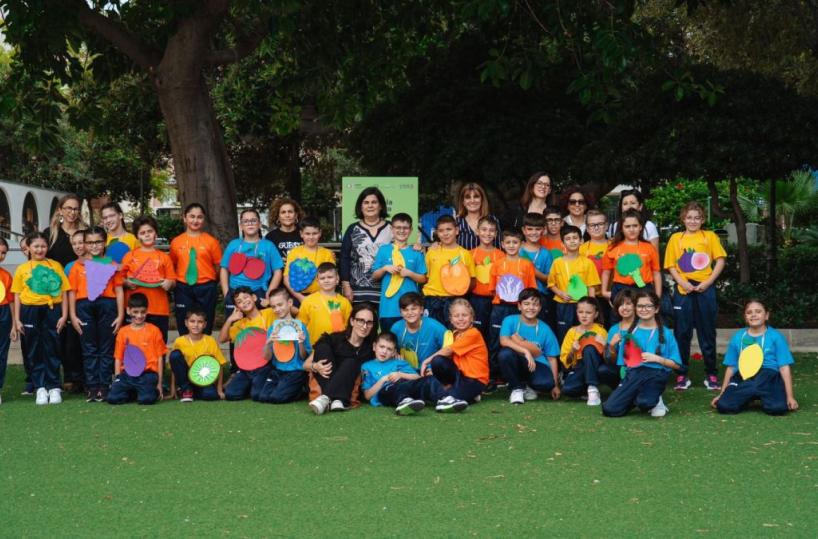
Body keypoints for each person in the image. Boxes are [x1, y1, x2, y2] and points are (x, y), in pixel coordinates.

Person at [664, 201, 727, 391]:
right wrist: (682, 283)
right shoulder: (676, 238)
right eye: (689, 217)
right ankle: (682, 374)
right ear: (683, 219)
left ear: (702, 220)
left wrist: (707, 282)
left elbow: (720, 260)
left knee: (707, 332)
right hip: (683, 290)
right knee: (682, 333)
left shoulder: (709, 236)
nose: (693, 221)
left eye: (697, 218)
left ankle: (711, 374)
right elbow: (671, 265)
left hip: (705, 289)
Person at [11, 231, 70, 405]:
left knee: (52, 346)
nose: (40, 249)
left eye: (43, 246)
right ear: (28, 248)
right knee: (33, 349)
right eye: (36, 246)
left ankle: (53, 386)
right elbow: (16, 295)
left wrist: (64, 314)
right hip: (29, 311)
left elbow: (65, 291)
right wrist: (17, 319)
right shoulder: (22, 269)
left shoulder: (55, 265)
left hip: (53, 310)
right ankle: (40, 387)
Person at [602, 290, 681, 418]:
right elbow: (623, 362)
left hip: (656, 374)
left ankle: (654, 399)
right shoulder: (630, 332)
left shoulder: (666, 333)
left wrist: (658, 359)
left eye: (648, 306)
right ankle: (639, 395)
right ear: (636, 308)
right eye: (640, 306)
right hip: (633, 374)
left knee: (645, 402)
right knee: (609, 410)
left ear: (656, 309)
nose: (644, 309)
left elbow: (677, 365)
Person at [711, 299, 799, 415]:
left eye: (758, 311)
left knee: (778, 408)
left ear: (766, 315)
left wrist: (790, 397)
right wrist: (722, 393)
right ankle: (750, 394)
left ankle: (753, 393)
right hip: (744, 375)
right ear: (745, 317)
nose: (753, 315)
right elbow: (731, 367)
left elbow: (784, 367)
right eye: (749, 312)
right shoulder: (738, 337)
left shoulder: (776, 337)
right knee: (723, 406)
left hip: (769, 376)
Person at [68, 227, 125, 402]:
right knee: (89, 348)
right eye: (90, 242)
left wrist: (121, 315)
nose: (94, 246)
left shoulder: (111, 265)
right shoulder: (78, 266)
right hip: (84, 307)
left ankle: (105, 385)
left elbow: (119, 290)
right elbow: (72, 292)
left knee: (106, 348)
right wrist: (73, 315)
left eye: (98, 242)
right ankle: (92, 386)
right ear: (85, 244)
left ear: (104, 242)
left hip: (107, 306)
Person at [45, 194, 87, 392]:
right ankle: (67, 375)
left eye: (76, 208)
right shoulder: (50, 234)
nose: (72, 212)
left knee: (79, 334)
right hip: (58, 294)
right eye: (68, 208)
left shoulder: (85, 234)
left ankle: (82, 376)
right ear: (60, 210)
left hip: (82, 291)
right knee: (61, 336)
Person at [305, 302, 379, 414]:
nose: (364, 326)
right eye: (360, 321)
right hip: (326, 379)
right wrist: (315, 366)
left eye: (369, 322)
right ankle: (336, 399)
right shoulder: (335, 339)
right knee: (323, 347)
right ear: (352, 321)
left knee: (351, 362)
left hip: (350, 388)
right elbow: (305, 365)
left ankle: (325, 398)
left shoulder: (372, 348)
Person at [421, 299, 488, 412]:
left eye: (464, 315)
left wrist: (426, 361)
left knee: (445, 397)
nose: (461, 319)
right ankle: (461, 394)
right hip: (459, 376)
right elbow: (448, 359)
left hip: (475, 380)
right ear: (451, 319)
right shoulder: (454, 334)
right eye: (456, 316)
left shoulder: (473, 333)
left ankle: (461, 395)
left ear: (471, 317)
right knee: (438, 361)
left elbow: (448, 350)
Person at [497, 288, 560, 405]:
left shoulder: (545, 328)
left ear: (540, 308)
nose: (531, 308)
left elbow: (552, 358)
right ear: (519, 306)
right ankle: (516, 388)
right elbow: (504, 341)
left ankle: (527, 386)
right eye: (526, 304)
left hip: (537, 364)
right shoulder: (510, 320)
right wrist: (525, 351)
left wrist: (555, 385)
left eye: (535, 304)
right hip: (518, 360)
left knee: (547, 384)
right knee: (505, 354)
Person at [170, 203, 223, 335]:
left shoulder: (211, 242)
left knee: (206, 321)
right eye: (192, 216)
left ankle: (204, 353)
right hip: (183, 287)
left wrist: (211, 282)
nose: (195, 220)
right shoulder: (176, 242)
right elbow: (173, 264)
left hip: (206, 287)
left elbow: (218, 266)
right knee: (183, 322)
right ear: (185, 218)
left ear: (203, 220)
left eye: (199, 217)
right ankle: (186, 350)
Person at [488, 229, 537, 372]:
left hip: (518, 309)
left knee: (518, 338)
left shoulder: (527, 265)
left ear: (521, 244)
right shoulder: (497, 264)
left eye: (515, 242)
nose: (511, 245)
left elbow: (531, 289)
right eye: (508, 242)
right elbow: (492, 289)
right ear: (502, 244)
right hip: (500, 308)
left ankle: (518, 371)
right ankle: (495, 374)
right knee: (495, 339)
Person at [361, 331, 444, 415]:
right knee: (395, 386)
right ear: (374, 346)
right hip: (385, 392)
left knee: (429, 379)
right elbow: (367, 395)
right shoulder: (367, 366)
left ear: (394, 352)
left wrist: (400, 374)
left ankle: (444, 399)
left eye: (389, 349)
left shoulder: (399, 362)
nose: (384, 351)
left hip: (406, 386)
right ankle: (404, 401)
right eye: (382, 347)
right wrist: (383, 379)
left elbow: (417, 377)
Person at [601, 209, 661, 323]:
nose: (631, 229)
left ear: (640, 227)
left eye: (635, 225)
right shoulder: (613, 247)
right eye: (627, 226)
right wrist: (604, 291)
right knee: (619, 321)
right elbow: (606, 271)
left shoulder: (649, 247)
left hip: (644, 289)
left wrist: (657, 296)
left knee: (643, 321)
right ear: (622, 229)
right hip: (620, 289)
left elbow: (656, 273)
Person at [120, 216, 175, 341]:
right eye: (143, 233)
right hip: (134, 310)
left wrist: (169, 283)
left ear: (155, 233)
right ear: (137, 236)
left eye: (150, 231)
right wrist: (126, 283)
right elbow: (119, 280)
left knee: (158, 346)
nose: (147, 235)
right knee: (133, 346)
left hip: (159, 310)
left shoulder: (164, 257)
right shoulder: (129, 256)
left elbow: (172, 281)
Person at [220, 208, 284, 315]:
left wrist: (269, 293)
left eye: (253, 220)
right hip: (234, 292)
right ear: (241, 226)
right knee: (234, 328)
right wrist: (226, 293)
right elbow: (224, 268)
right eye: (246, 221)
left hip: (258, 292)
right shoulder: (233, 245)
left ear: (259, 224)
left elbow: (278, 271)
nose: (250, 224)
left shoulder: (268, 245)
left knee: (259, 328)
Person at [372, 212, 427, 333]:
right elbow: (374, 276)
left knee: (409, 344)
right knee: (389, 342)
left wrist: (410, 274)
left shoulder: (416, 252)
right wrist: (385, 268)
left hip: (411, 308)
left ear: (411, 230)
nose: (402, 231)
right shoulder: (384, 250)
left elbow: (423, 278)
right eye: (398, 227)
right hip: (388, 308)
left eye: (405, 228)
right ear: (392, 229)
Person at [107, 293, 167, 405]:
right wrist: (117, 378)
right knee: (112, 398)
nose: (139, 316)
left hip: (147, 374)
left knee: (147, 399)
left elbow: (160, 358)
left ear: (147, 311)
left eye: (143, 312)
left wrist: (159, 383)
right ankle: (133, 391)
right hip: (127, 374)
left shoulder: (154, 331)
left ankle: (142, 391)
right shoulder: (123, 332)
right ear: (128, 311)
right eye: (135, 312)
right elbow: (118, 358)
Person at [219, 287, 277, 401]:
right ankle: (251, 384)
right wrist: (230, 320)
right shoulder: (240, 324)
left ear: (254, 298)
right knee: (230, 394)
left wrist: (271, 303)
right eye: (239, 302)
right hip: (246, 368)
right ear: (237, 307)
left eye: (246, 297)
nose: (244, 302)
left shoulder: (269, 313)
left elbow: (293, 310)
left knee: (256, 395)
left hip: (266, 364)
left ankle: (260, 384)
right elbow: (222, 339)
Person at [547, 225, 601, 344]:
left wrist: (590, 305)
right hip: (563, 305)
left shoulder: (588, 263)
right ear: (562, 243)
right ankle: (565, 360)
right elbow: (551, 284)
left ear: (581, 241)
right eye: (568, 238)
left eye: (575, 238)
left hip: (582, 306)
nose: (572, 241)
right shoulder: (557, 262)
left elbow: (591, 286)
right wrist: (560, 293)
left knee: (583, 334)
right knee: (564, 334)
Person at [339, 187, 393, 304]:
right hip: (357, 291)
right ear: (361, 206)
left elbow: (402, 250)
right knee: (360, 321)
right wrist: (346, 286)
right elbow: (344, 258)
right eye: (366, 202)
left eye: (374, 202)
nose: (370, 206)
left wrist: (418, 247)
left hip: (387, 289)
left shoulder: (392, 228)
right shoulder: (353, 229)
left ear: (381, 206)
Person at [258, 288, 312, 404]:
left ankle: (301, 388)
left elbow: (304, 357)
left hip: (296, 371)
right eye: (273, 307)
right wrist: (268, 343)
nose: (277, 309)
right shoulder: (273, 328)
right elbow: (267, 357)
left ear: (290, 303)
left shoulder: (300, 327)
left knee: (276, 398)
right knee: (262, 397)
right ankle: (289, 388)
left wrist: (301, 342)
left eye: (280, 305)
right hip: (277, 370)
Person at [422, 215, 475, 326]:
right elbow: (425, 277)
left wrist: (460, 290)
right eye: (441, 231)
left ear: (456, 230)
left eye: (449, 229)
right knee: (433, 334)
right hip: (432, 299)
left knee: (452, 334)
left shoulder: (465, 254)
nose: (445, 233)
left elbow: (472, 281)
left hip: (454, 300)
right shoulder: (432, 251)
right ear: (437, 233)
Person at [169, 307, 227, 402]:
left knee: (211, 396)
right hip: (186, 378)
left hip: (204, 379)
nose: (196, 325)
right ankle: (186, 389)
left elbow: (219, 365)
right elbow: (175, 367)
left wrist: (219, 390)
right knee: (174, 355)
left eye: (200, 322)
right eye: (192, 321)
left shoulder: (210, 341)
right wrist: (172, 389)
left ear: (205, 324)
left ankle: (191, 392)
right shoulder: (179, 341)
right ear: (186, 323)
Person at [559, 298, 610, 406]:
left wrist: (605, 344)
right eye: (580, 312)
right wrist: (573, 350)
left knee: (589, 349)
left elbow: (609, 357)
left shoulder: (601, 331)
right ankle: (587, 389)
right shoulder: (572, 332)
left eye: (588, 312)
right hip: (580, 366)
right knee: (568, 389)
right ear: (576, 313)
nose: (584, 315)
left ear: (595, 314)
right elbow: (566, 362)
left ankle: (592, 388)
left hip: (597, 365)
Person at [283, 217, 336, 305]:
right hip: (298, 296)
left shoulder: (327, 254)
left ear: (320, 233)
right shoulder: (294, 252)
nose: (311, 237)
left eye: (314, 233)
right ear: (301, 234)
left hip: (322, 296)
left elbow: (331, 278)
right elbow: (286, 278)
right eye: (307, 234)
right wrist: (300, 297)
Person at [297, 262, 352, 346]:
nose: (326, 280)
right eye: (322, 278)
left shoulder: (345, 302)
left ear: (337, 279)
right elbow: (301, 325)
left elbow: (349, 327)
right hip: (314, 347)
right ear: (317, 281)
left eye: (330, 277)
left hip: (338, 347)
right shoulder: (308, 301)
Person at [391, 292, 447, 371]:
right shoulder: (396, 328)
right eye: (405, 310)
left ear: (421, 310)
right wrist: (394, 355)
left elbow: (449, 349)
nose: (410, 313)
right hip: (404, 370)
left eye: (413, 309)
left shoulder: (436, 327)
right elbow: (389, 349)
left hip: (428, 371)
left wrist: (437, 369)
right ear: (400, 312)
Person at [469, 217, 503, 341]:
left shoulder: (501, 255)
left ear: (495, 234)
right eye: (484, 229)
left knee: (493, 333)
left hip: (495, 300)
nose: (487, 233)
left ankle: (492, 360)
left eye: (491, 230)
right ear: (477, 231)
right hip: (475, 300)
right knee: (477, 332)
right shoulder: (469, 254)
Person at [579, 210, 611, 325]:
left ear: (606, 225)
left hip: (610, 296)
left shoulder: (614, 246)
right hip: (588, 297)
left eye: (600, 224)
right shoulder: (581, 249)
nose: (596, 228)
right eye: (592, 225)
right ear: (587, 228)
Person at [520, 213, 554, 320]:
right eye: (530, 229)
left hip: (539, 297)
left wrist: (533, 270)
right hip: (518, 296)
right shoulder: (516, 250)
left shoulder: (546, 254)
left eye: (537, 229)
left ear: (543, 230)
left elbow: (550, 279)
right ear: (524, 230)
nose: (534, 232)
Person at [455, 182, 501, 249]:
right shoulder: (457, 222)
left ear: (482, 200)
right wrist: (437, 244)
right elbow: (448, 246)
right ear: (463, 202)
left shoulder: (493, 219)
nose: (472, 200)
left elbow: (499, 247)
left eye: (476, 196)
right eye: (468, 197)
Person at [0, 238, 14, 405]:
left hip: (3, 314)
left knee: (1, 353)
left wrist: (14, 324)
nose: (1, 255)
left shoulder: (6, 276)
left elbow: (11, 301)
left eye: (4, 253)